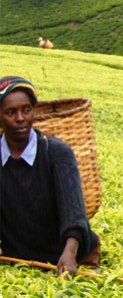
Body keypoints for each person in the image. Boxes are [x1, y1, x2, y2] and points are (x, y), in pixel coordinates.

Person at [0, 76, 100, 276]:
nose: (20, 118)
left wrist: (70, 253)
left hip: (63, 253)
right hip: (16, 255)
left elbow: (74, 212)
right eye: (11, 112)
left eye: (26, 110)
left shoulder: (57, 153)